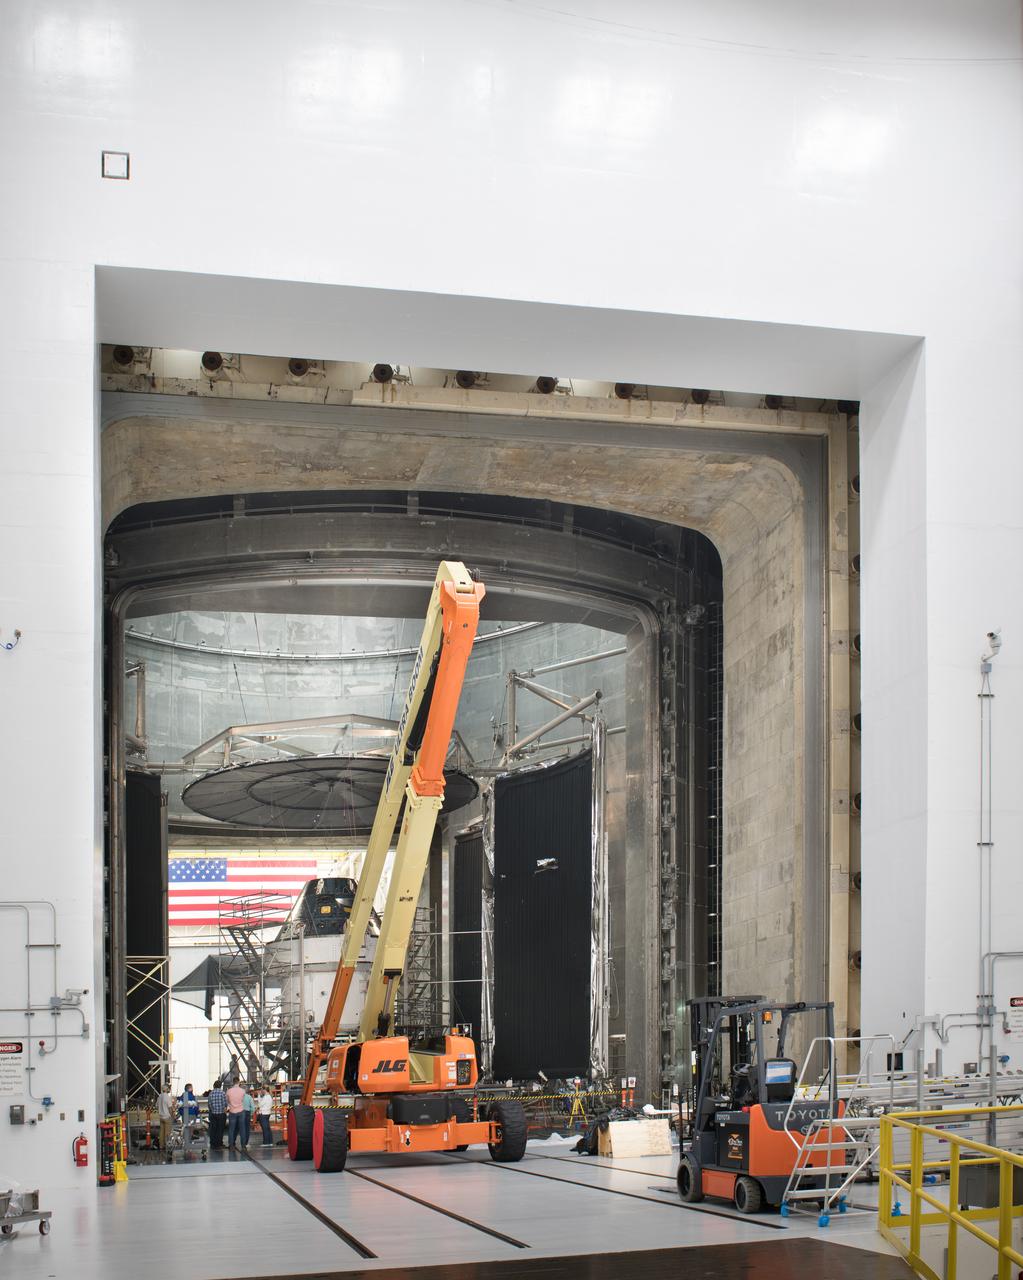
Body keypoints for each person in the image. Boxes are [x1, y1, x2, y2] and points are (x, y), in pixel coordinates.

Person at [226, 1076, 245, 1150]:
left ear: (233, 1082)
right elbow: (242, 1100)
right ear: (239, 1082)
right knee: (242, 1129)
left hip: (232, 1111)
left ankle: (231, 1145)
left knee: (231, 1129)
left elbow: (227, 1101)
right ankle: (243, 1146)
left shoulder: (229, 1091)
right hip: (241, 1111)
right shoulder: (242, 1091)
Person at [207, 1078, 227, 1150]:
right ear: (220, 1086)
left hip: (213, 1114)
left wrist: (212, 1110)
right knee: (220, 1129)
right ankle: (219, 1143)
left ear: (214, 1086)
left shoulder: (211, 1093)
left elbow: (209, 1104)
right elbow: (225, 1104)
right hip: (221, 1114)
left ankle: (213, 1143)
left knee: (213, 1129)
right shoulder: (223, 1093)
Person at [157, 1085, 176, 1154]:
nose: (169, 1090)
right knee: (167, 1133)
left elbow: (156, 1106)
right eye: (169, 1088)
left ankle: (161, 1146)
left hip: (161, 1117)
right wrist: (172, 1115)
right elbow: (170, 1108)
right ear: (167, 1089)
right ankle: (167, 1146)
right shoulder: (167, 1097)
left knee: (161, 1132)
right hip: (167, 1117)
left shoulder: (159, 1096)